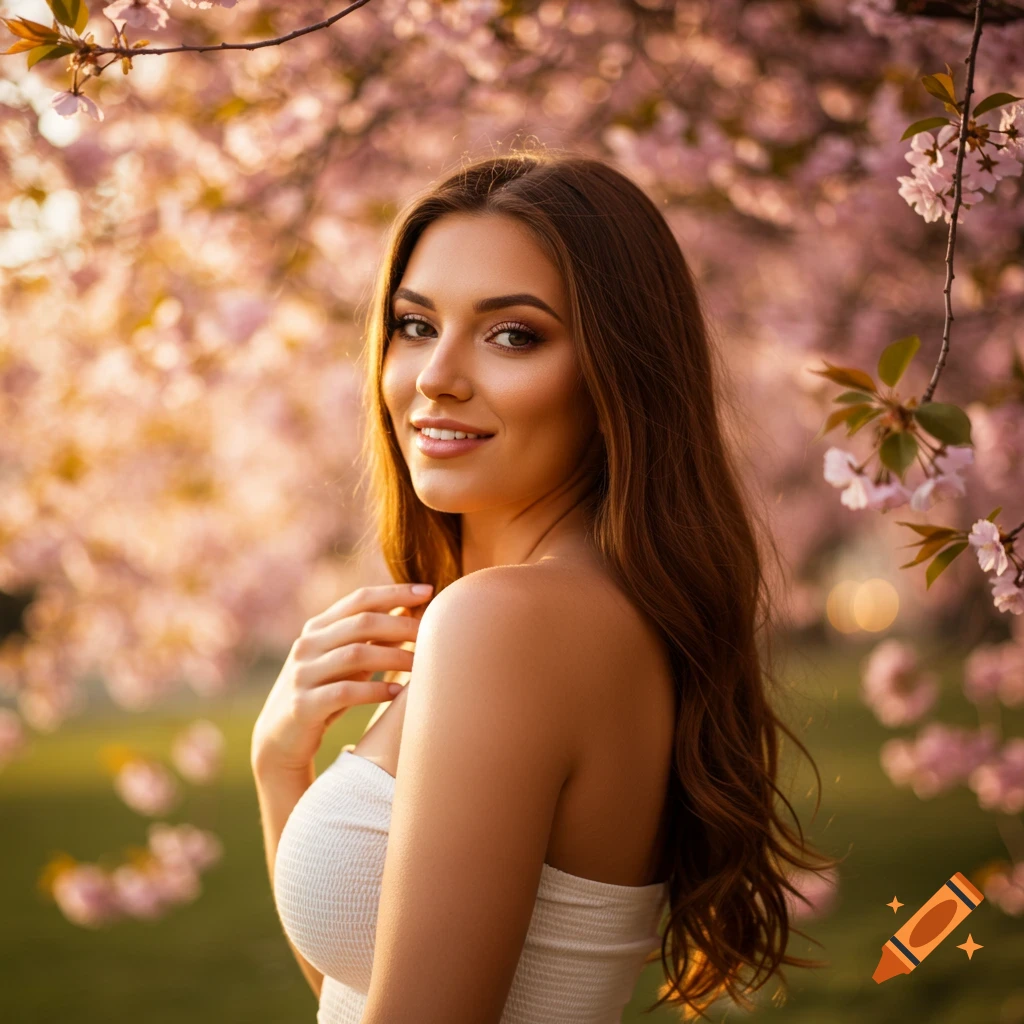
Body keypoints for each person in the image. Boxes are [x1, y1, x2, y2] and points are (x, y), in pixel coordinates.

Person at [251, 150, 838, 1023]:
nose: (437, 377)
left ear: (615, 375)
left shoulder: (510, 624)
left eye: (512, 334)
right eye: (414, 325)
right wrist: (278, 765)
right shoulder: (578, 611)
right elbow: (362, 992)